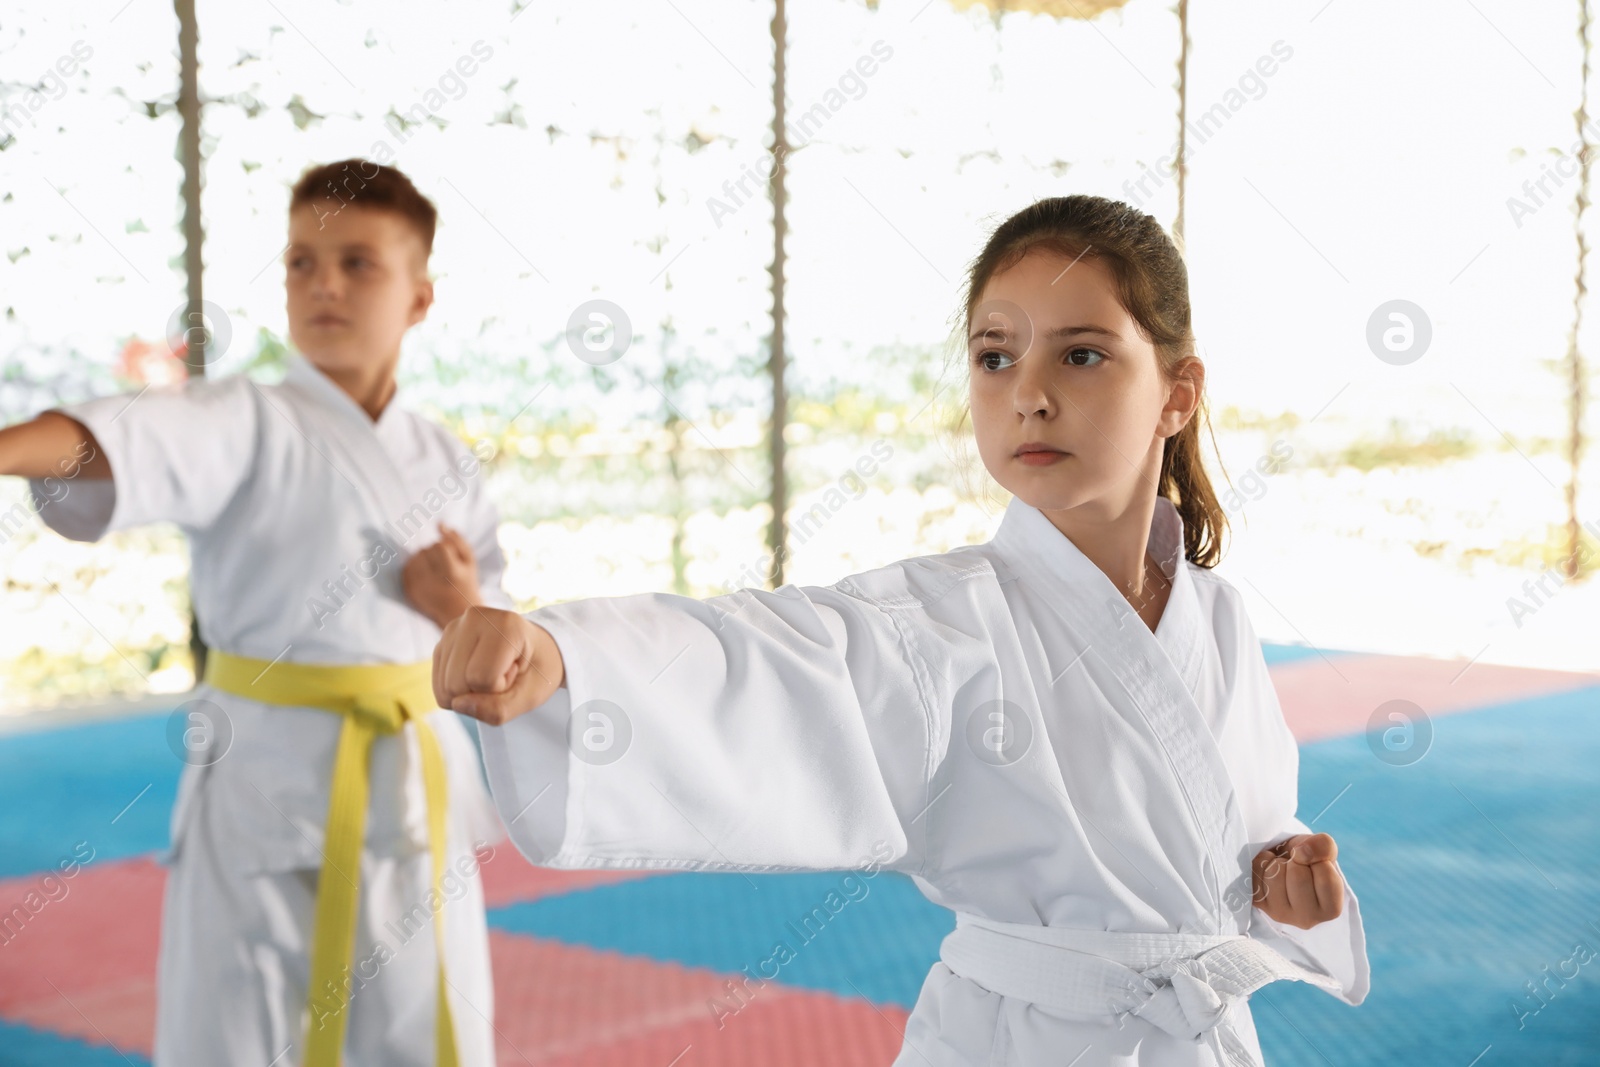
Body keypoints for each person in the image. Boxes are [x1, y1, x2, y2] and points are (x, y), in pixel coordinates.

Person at [432, 194, 1369, 1066]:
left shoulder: (1218, 618)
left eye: (1079, 354)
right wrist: (570, 664)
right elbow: (786, 659)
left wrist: (1286, 888)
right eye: (996, 356)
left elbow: (1240, 839)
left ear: (1177, 390)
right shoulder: (944, 623)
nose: (1028, 393)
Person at [0, 159, 508, 1067]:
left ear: (419, 299)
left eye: (358, 263)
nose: (323, 284)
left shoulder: (447, 460)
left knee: (426, 1025)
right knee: (233, 1031)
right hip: (259, 775)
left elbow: (500, 654)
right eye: (301, 263)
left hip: (408, 780)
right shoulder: (244, 418)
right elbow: (124, 436)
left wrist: (457, 605)